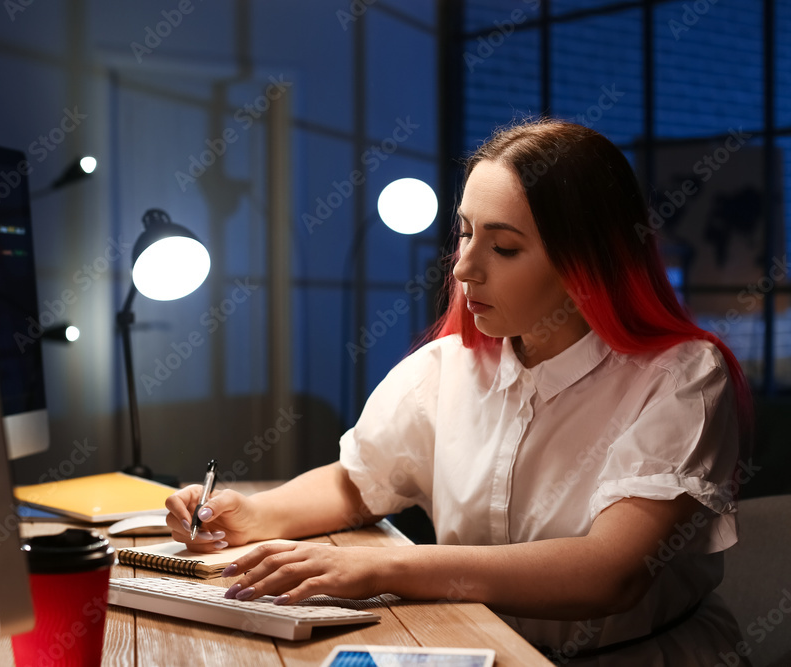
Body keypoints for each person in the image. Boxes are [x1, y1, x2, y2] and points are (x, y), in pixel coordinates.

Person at [165, 118, 754, 665]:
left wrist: (381, 568)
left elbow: (611, 573)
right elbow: (358, 482)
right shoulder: (450, 366)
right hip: (477, 647)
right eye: (465, 232)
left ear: (587, 264)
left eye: (503, 248)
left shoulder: (681, 378)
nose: (462, 267)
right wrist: (252, 513)